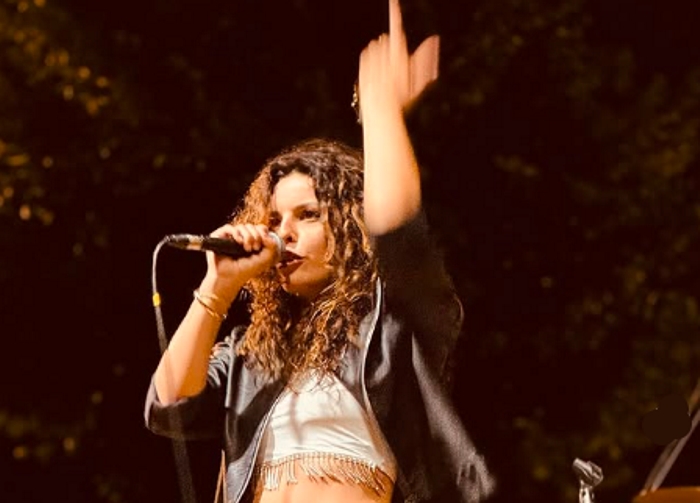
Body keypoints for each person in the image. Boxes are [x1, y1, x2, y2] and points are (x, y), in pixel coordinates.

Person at [144, 1, 495, 502]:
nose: (282, 233)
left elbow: (400, 235)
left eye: (307, 215)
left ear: (351, 230)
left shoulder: (390, 326)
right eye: (273, 220)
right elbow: (168, 406)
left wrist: (380, 113)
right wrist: (216, 288)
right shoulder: (251, 356)